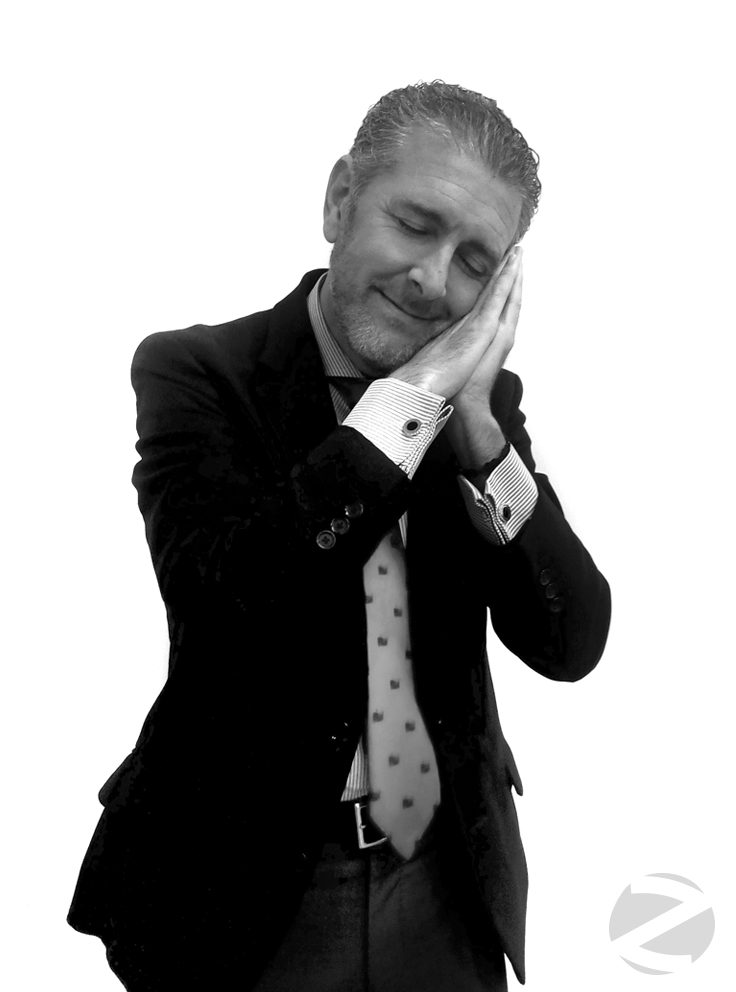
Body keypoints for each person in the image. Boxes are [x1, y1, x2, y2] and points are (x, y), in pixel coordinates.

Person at [67, 81, 611, 991]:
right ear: (339, 200)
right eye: (415, 225)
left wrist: (480, 435)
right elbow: (229, 600)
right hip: (244, 883)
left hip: (444, 880)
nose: (433, 279)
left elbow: (569, 641)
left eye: (475, 262)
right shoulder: (197, 371)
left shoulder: (479, 408)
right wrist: (407, 405)